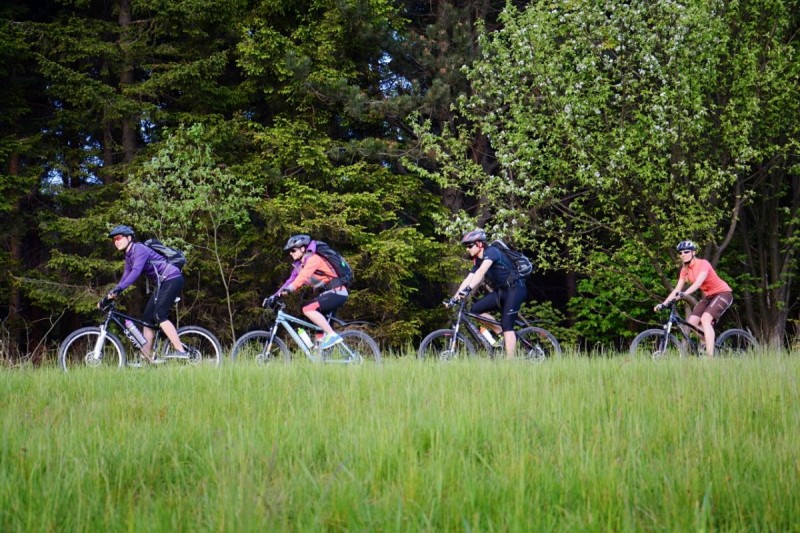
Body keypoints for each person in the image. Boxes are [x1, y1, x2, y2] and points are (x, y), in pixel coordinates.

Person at [102, 225, 186, 363]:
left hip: (172, 278)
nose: (115, 241)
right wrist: (109, 296)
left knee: (160, 315)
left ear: (129, 238)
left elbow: (135, 272)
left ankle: (181, 351)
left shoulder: (139, 249)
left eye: (118, 238)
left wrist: (118, 290)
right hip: (162, 283)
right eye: (113, 240)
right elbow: (125, 278)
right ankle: (146, 358)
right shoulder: (129, 256)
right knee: (147, 320)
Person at [453, 228, 528, 359]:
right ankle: (501, 333)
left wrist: (468, 289)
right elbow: (469, 278)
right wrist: (455, 296)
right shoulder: (478, 260)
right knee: (476, 309)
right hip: (502, 291)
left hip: (516, 289)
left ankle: (510, 363)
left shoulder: (492, 252)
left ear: (480, 244)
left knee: (507, 325)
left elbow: (481, 273)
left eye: (470, 245)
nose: (467, 249)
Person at [656, 240, 733, 357]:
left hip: (723, 293)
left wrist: (684, 294)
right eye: (680, 253)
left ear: (694, 252)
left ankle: (710, 357)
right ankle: (708, 341)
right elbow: (677, 289)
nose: (683, 255)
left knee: (706, 319)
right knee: (691, 323)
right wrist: (664, 303)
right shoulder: (684, 270)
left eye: (686, 252)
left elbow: (698, 283)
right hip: (709, 296)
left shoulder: (703, 264)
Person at [273, 234, 348, 349]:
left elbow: (303, 277)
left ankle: (332, 335)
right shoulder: (301, 265)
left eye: (293, 250)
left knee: (307, 308)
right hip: (327, 293)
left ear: (303, 249)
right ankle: (320, 359)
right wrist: (274, 296)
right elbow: (290, 280)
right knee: (318, 330)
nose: (290, 253)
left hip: (336, 292)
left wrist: (290, 289)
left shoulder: (313, 259)